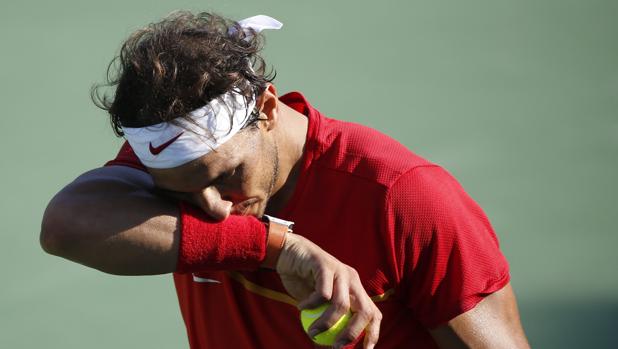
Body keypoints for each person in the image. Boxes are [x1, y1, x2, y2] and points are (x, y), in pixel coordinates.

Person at [40, 11, 530, 349]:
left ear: (268, 109)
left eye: (226, 176)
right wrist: (280, 247)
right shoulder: (180, 159)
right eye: (178, 193)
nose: (213, 208)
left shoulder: (404, 197)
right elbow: (66, 227)